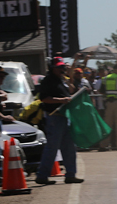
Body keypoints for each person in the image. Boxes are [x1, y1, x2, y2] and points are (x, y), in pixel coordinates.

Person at [35, 57, 83, 185]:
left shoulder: (61, 80)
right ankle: (42, 176)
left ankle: (71, 175)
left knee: (69, 147)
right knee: (52, 147)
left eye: (63, 67)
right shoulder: (48, 80)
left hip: (63, 117)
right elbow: (44, 98)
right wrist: (61, 101)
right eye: (59, 67)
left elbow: (71, 90)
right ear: (52, 68)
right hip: (54, 117)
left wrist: (69, 79)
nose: (62, 69)